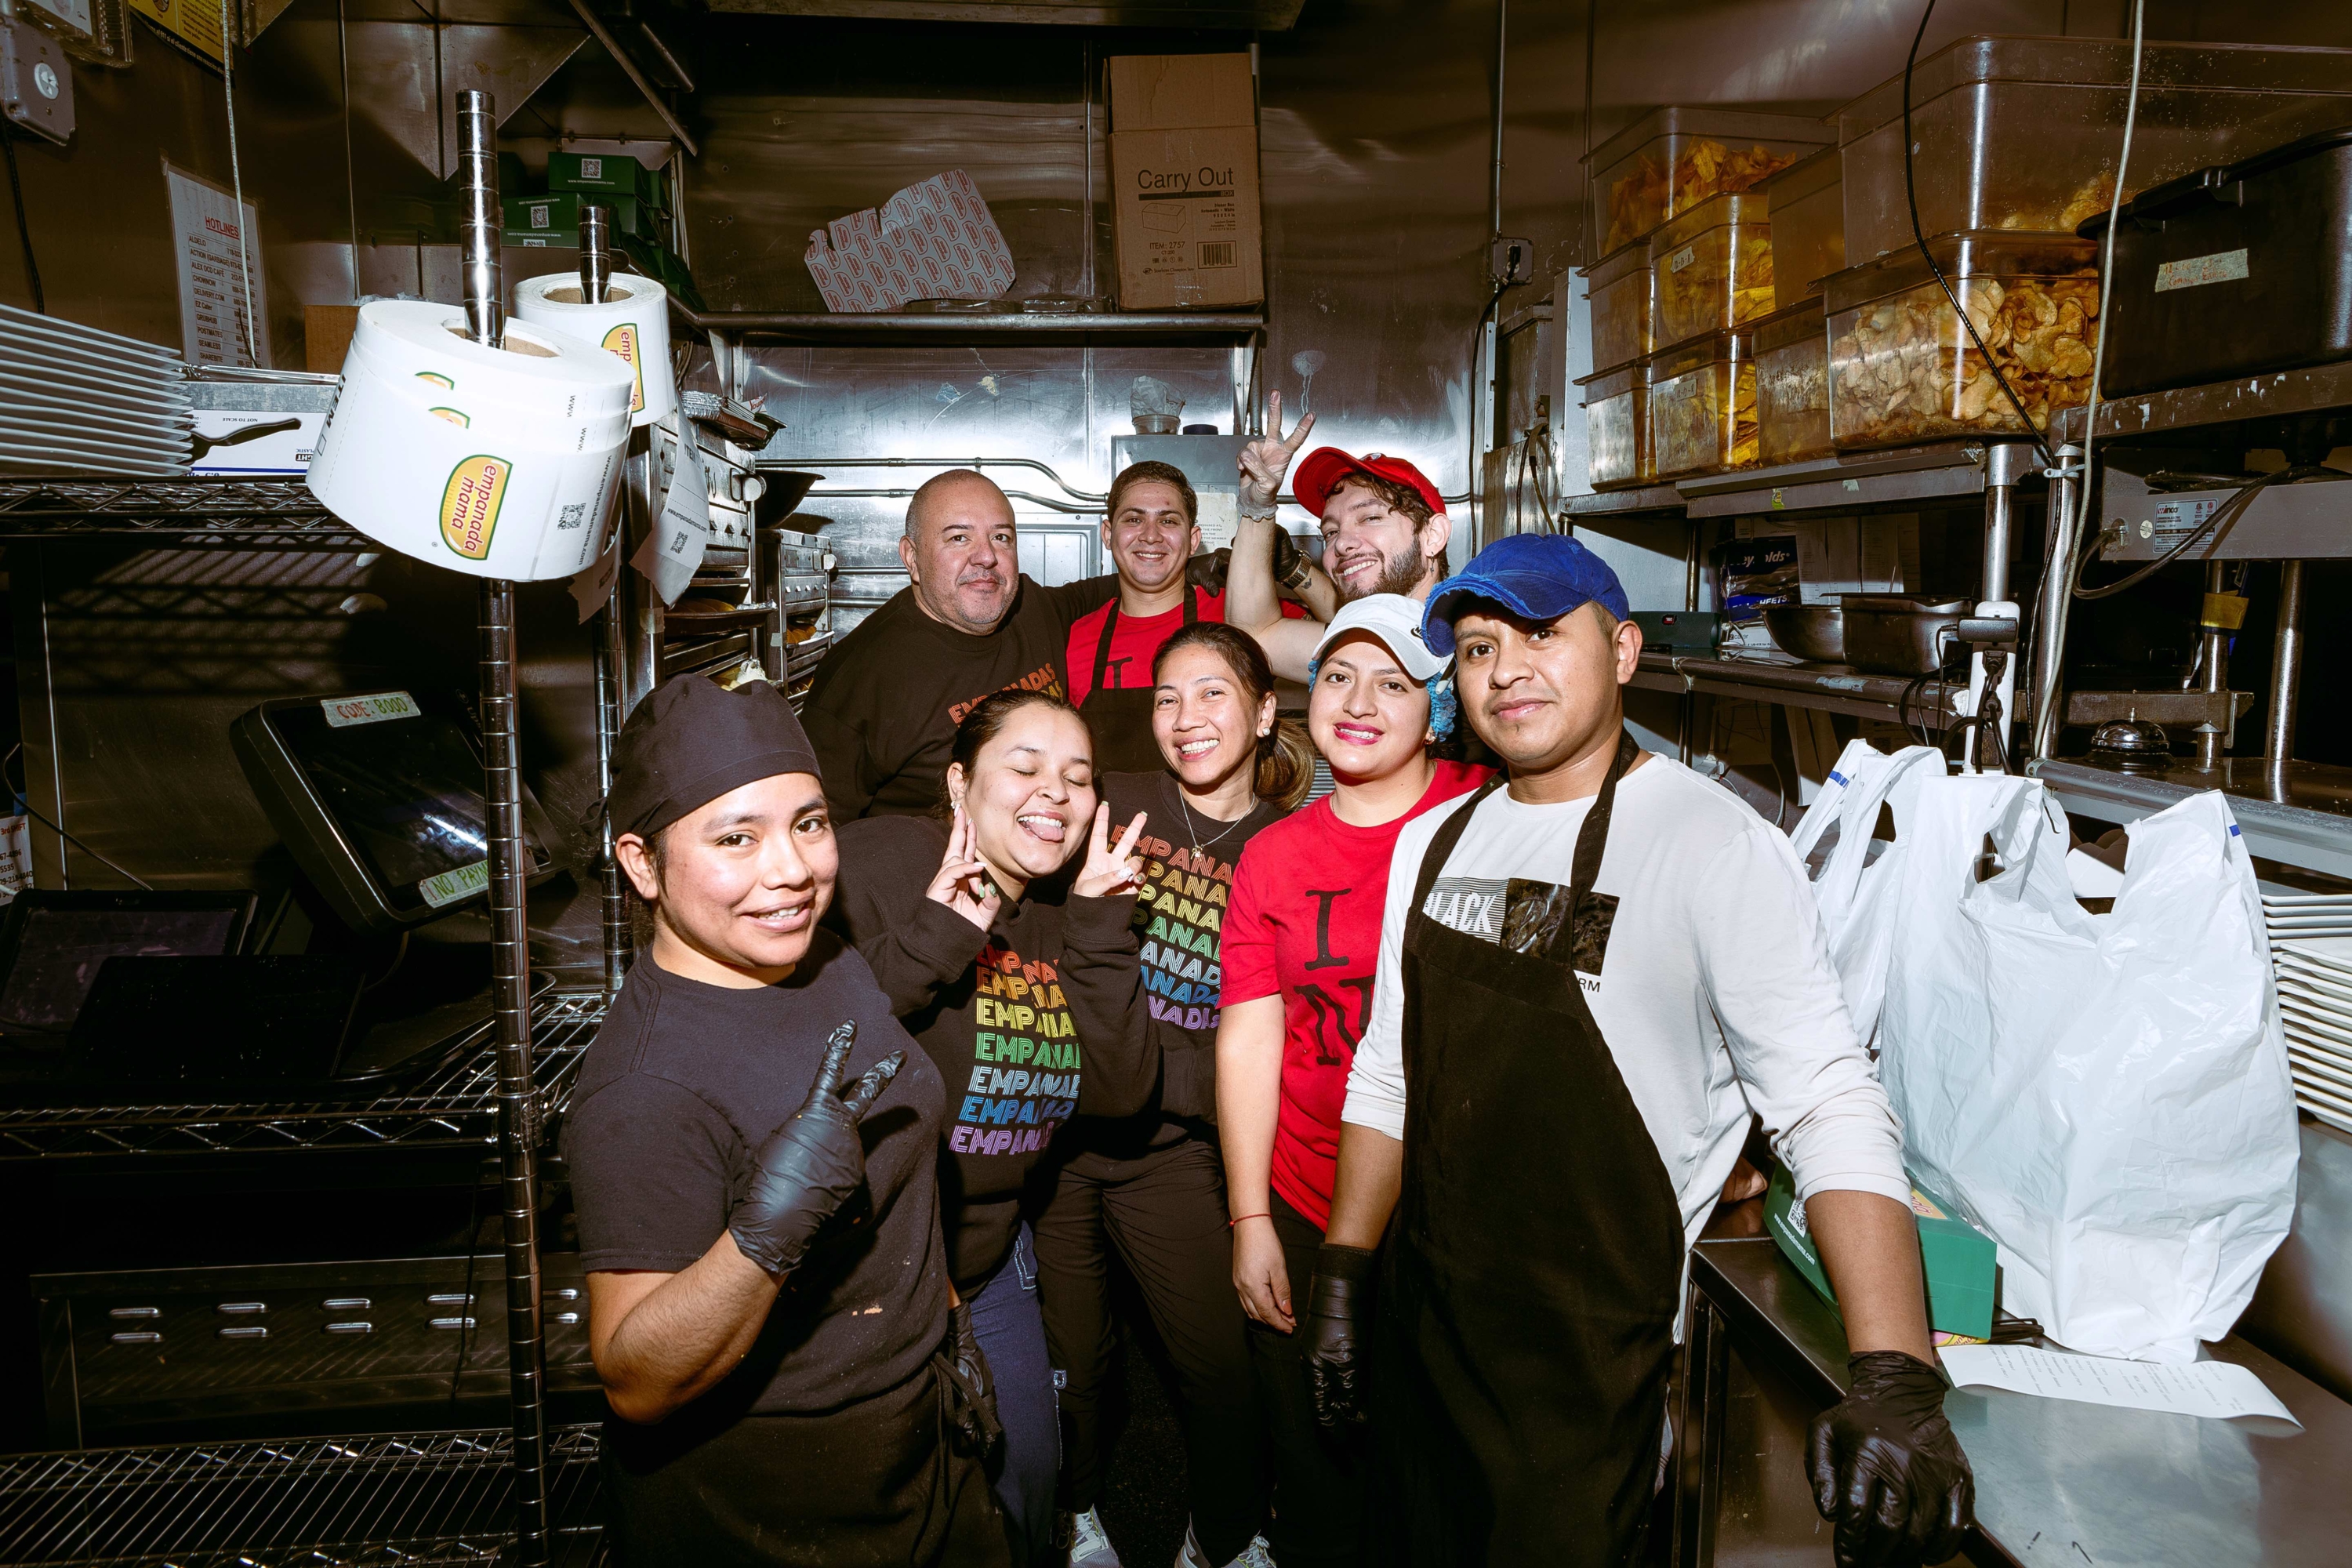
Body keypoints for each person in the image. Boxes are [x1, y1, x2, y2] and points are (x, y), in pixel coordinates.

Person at [1320, 533, 1976, 1567]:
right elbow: (1391, 1069)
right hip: (1427, 1335)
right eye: (1482, 648)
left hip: (1588, 1377)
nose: (1507, 670)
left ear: (1623, 650)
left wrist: (1893, 1370)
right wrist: (1347, 1274)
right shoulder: (1435, 842)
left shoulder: (1710, 845)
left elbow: (1826, 1103)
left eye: (1542, 634)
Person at [564, 675, 1006, 1567]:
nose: (793, 870)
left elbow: (905, 1168)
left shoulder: (820, 956)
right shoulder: (644, 1085)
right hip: (780, 1499)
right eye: (737, 837)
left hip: (919, 1439)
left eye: (808, 822)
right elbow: (636, 1379)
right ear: (642, 863)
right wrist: (765, 1235)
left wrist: (951, 1336)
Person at [831, 691, 1160, 1567]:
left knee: (1026, 1478)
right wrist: (935, 937)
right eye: (1025, 766)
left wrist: (1098, 922)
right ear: (958, 782)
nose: (1054, 790)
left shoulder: (1060, 913)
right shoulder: (884, 861)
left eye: (1077, 777)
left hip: (986, 1262)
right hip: (862, 1275)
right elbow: (792, 1040)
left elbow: (1122, 1091)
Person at [1213, 594, 1490, 1568]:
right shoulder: (1275, 852)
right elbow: (1253, 1035)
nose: (1359, 699)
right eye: (1338, 674)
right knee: (1319, 1462)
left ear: (1437, 705)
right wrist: (1251, 1219)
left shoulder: (1487, 818)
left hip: (1453, 1210)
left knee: (1436, 1476)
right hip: (1305, 1192)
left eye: (1393, 680)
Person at [1033, 622, 1316, 1568]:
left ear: (1265, 710)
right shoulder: (1113, 805)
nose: (1185, 718)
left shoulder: (1289, 840)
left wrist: (1175, 1079)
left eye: (1211, 694)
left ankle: (1223, 1535)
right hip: (1064, 1144)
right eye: (1166, 698)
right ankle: (1075, 1518)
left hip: (1182, 1145)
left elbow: (1275, 1021)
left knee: (1223, 1374)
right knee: (1072, 1369)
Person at [802, 469, 1125, 822]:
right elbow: (818, 827)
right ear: (912, 557)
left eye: (1001, 537)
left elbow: (1125, 586)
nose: (986, 557)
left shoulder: (1030, 606)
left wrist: (1190, 567)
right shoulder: (860, 679)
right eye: (959, 538)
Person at [1065, 462, 1330, 775]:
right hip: (1114, 824)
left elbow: (1353, 638)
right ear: (1108, 534)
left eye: (1168, 521)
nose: (1150, 536)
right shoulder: (1077, 637)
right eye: (1134, 519)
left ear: (1193, 539)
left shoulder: (1237, 615)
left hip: (1223, 822)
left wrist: (1293, 571)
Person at [1223, 392, 1456, 684]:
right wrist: (1257, 508)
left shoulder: (1478, 641)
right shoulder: (1353, 640)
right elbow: (1254, 635)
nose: (1342, 544)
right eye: (1330, 532)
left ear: (1433, 536)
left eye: (1371, 518)